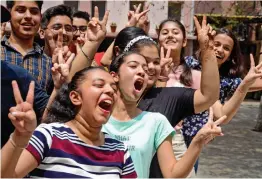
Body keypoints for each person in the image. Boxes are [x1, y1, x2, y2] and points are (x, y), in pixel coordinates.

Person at [157, 18, 262, 175]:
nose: (219, 50)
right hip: (167, 136)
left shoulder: (226, 79)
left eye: (226, 48)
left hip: (190, 142)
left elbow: (221, 114)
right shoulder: (191, 66)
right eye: (216, 44)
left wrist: (244, 85)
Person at [102, 50, 226, 178]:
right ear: (114, 76)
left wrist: (197, 142)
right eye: (133, 66)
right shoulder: (96, 119)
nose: (141, 72)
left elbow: (172, 174)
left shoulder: (156, 122)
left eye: (144, 70)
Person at [1, 66, 137, 178]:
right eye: (99, 85)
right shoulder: (49, 136)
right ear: (75, 97)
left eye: (114, 89)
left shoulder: (120, 150)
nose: (110, 91)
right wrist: (19, 138)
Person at [1, 1, 53, 92]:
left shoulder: (49, 63)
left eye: (34, 12)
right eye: (21, 10)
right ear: (9, 14)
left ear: (40, 17)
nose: (28, 16)